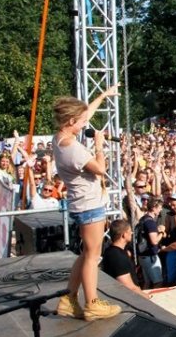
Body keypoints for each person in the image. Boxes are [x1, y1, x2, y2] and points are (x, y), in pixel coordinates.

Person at [52, 86, 122, 322]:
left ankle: (69, 298)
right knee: (93, 255)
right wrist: (100, 145)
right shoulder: (73, 149)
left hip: (82, 203)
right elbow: (100, 169)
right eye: (81, 122)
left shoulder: (60, 137)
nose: (85, 125)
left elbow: (85, 114)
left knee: (85, 253)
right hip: (89, 205)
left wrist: (103, 95)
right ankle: (92, 303)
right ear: (71, 120)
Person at [101, 219, 151, 299]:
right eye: (130, 231)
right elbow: (128, 286)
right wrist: (147, 297)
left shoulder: (112, 251)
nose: (132, 233)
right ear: (123, 235)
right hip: (129, 299)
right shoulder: (117, 256)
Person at [136, 198, 164, 288]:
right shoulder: (150, 222)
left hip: (143, 255)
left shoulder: (143, 219)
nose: (161, 210)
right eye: (159, 207)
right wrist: (162, 233)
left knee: (147, 282)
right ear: (153, 208)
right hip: (150, 257)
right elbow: (154, 241)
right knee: (158, 282)